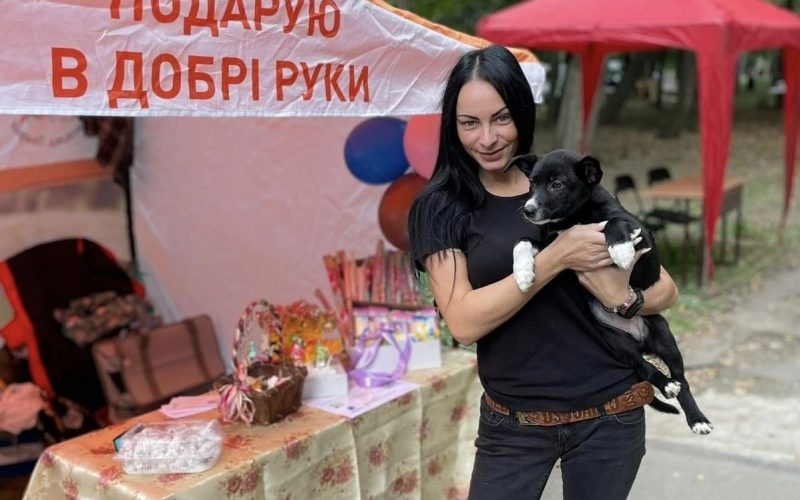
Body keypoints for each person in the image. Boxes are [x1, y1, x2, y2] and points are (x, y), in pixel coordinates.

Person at [407, 45, 679, 500]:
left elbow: (665, 289)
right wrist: (556, 257)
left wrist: (625, 299)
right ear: (452, 126)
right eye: (469, 123)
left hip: (610, 415)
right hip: (513, 426)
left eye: (501, 118)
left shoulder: (565, 182)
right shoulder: (442, 207)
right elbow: (464, 323)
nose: (487, 138)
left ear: (522, 112)